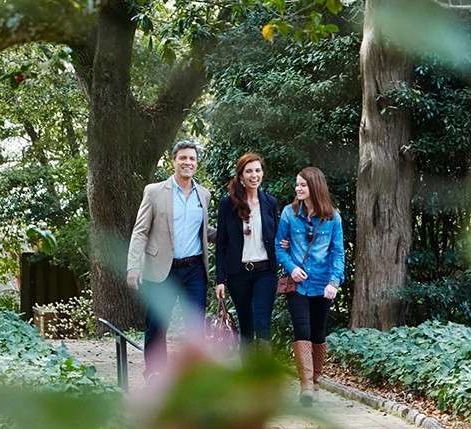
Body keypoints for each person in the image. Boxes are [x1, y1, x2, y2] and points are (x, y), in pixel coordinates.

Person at [127, 140, 215, 378]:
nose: (188, 162)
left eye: (192, 158)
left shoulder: (203, 194)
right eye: (183, 158)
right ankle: (155, 375)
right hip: (161, 270)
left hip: (195, 269)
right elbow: (140, 231)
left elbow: (204, 231)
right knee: (157, 324)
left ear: (197, 163)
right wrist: (133, 266)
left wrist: (234, 233)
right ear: (173, 161)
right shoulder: (154, 191)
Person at [275, 167, 345, 406]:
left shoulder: (333, 218)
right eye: (297, 184)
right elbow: (279, 246)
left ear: (315, 186)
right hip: (298, 285)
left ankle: (315, 381)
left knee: (318, 333)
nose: (298, 188)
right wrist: (291, 267)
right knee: (302, 331)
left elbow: (338, 253)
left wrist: (334, 281)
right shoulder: (289, 213)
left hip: (323, 285)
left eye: (302, 185)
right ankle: (305, 387)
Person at [214, 153, 280, 349]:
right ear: (241, 175)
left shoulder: (270, 203)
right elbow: (221, 243)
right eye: (249, 171)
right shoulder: (228, 204)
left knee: (262, 324)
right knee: (246, 327)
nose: (254, 175)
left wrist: (282, 244)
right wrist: (220, 279)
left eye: (258, 170)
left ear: (262, 173)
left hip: (265, 271)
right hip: (238, 273)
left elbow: (275, 235)